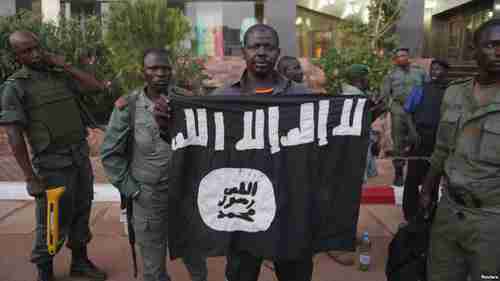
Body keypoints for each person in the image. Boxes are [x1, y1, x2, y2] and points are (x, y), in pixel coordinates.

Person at [154, 24, 314, 281]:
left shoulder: (303, 97)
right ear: (244, 51)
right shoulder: (223, 98)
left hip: (289, 206)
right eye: (254, 46)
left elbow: (322, 146)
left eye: (268, 47)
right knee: (241, 275)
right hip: (243, 208)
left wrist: (360, 126)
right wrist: (167, 126)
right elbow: (199, 145)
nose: (261, 52)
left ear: (278, 51)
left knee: (296, 275)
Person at [0, 31, 107, 281]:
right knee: (51, 220)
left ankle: (79, 262)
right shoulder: (14, 87)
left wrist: (65, 65)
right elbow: (14, 137)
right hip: (51, 165)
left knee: (82, 211)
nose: (35, 54)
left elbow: (95, 87)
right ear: (17, 56)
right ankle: (44, 269)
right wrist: (29, 177)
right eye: (26, 51)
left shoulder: (60, 76)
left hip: (79, 158)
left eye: (36, 47)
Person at [100, 48, 208, 281]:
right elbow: (110, 155)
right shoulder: (128, 107)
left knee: (196, 258)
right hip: (148, 197)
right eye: (153, 68)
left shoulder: (186, 101)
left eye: (165, 68)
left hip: (185, 195)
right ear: (143, 72)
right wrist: (133, 190)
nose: (160, 73)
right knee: (153, 268)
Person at [420, 19, 500, 281]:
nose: (499, 52)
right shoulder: (454, 93)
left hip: (492, 221)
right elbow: (442, 147)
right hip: (449, 211)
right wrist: (428, 188)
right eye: (492, 45)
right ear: (474, 49)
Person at [401, 59, 449, 221]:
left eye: (439, 70)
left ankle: (429, 212)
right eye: (433, 69)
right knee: (413, 176)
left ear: (445, 72)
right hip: (420, 137)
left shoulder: (449, 91)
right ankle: (409, 214)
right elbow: (407, 112)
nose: (435, 72)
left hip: (439, 139)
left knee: (433, 176)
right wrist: (413, 132)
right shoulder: (420, 88)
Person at [381, 48, 426, 186]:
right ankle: (399, 173)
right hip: (399, 110)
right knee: (398, 142)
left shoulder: (419, 71)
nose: (401, 58)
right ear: (395, 59)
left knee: (418, 139)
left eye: (404, 55)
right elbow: (385, 93)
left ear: (408, 56)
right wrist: (390, 107)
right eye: (398, 56)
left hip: (417, 111)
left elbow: (427, 87)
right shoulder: (391, 74)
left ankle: (418, 172)